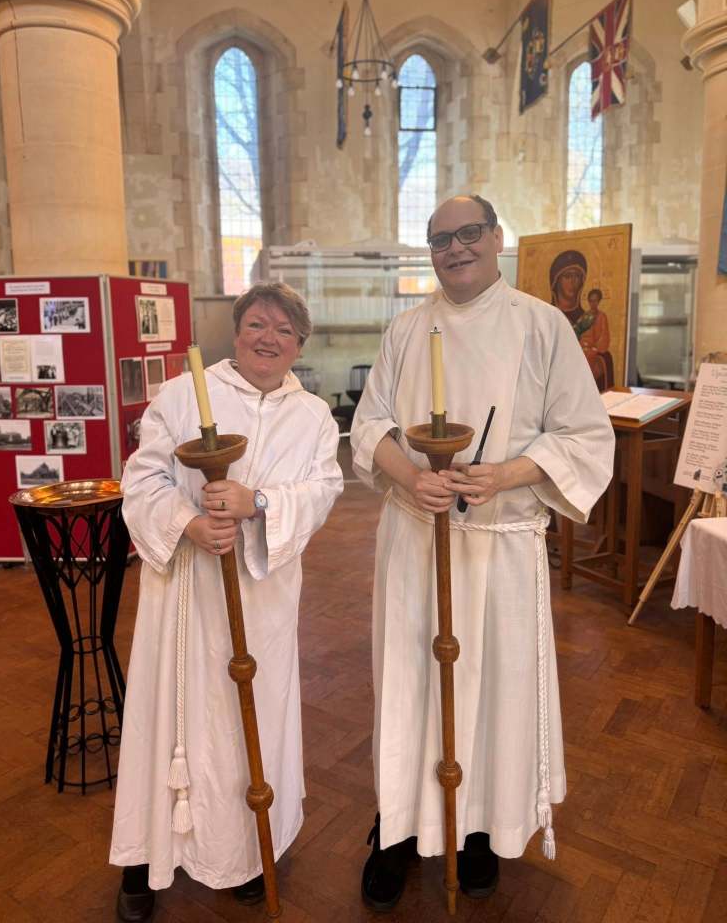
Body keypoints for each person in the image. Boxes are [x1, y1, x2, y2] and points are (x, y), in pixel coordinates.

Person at [351, 195, 614, 911]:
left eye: (469, 233)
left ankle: (480, 832)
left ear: (497, 238)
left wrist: (504, 474)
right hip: (414, 541)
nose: (455, 248)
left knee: (493, 687)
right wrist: (410, 477)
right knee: (408, 684)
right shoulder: (407, 329)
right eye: (440, 239)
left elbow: (586, 436)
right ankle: (397, 830)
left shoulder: (542, 324)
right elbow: (369, 423)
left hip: (499, 548)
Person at [110, 282, 344, 921]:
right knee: (170, 718)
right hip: (185, 594)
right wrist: (188, 521)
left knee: (254, 719)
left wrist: (257, 504)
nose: (268, 339)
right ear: (237, 329)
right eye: (256, 325)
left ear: (299, 344)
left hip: (260, 599)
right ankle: (145, 856)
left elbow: (323, 487)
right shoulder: (187, 392)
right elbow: (143, 475)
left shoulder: (313, 416)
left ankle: (246, 848)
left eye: (283, 331)